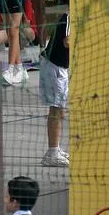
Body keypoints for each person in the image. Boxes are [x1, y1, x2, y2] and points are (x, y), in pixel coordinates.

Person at [40, 13, 71, 167]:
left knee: (60, 110)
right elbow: (68, 42)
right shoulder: (70, 17)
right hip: (54, 67)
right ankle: (52, 153)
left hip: (60, 67)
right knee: (56, 110)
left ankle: (56, 148)